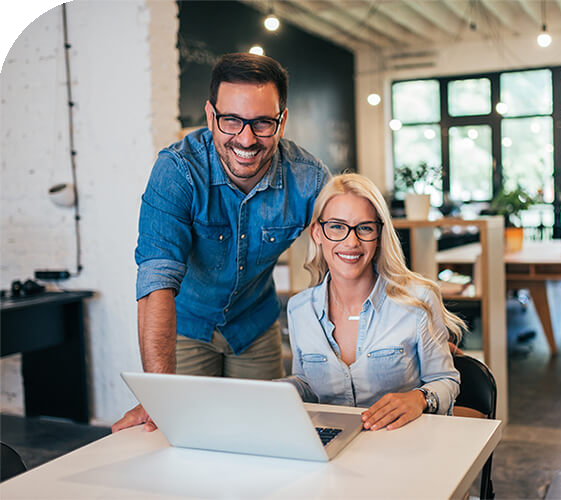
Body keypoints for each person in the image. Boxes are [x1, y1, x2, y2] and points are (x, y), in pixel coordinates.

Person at [112, 53, 330, 433]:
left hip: (255, 326)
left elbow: (355, 254)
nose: (246, 139)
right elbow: (156, 281)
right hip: (185, 326)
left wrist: (416, 326)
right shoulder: (177, 171)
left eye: (263, 123)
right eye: (231, 120)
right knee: (183, 436)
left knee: (265, 436)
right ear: (211, 116)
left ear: (282, 120)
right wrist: (159, 394)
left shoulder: (308, 179)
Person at [282, 173, 464, 431]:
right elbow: (308, 385)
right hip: (331, 448)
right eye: (336, 226)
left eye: (365, 228)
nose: (351, 242)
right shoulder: (299, 309)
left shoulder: (418, 301)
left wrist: (419, 399)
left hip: (401, 447)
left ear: (379, 236)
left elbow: (446, 380)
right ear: (317, 233)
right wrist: (275, 391)